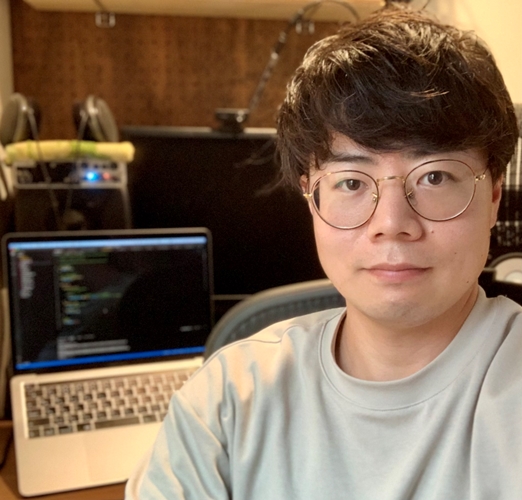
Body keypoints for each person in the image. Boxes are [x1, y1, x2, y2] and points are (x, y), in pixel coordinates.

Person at [125, 6, 522, 499]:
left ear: (493, 197)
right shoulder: (225, 402)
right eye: (351, 181)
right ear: (311, 198)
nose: (392, 224)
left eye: (436, 177)